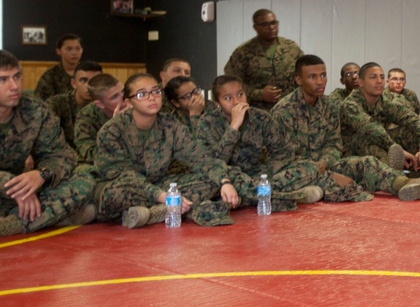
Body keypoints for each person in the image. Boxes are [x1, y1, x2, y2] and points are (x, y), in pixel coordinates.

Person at [272, 56, 420, 201]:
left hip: (325, 164)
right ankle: (317, 188)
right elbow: (282, 158)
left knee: (367, 163)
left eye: (323, 75)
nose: (320, 81)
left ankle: (406, 184)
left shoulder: (328, 106)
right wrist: (325, 174)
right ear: (298, 79)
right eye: (312, 77)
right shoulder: (284, 111)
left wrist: (326, 163)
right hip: (296, 171)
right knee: (347, 180)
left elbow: (334, 144)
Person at [93, 73, 231, 228]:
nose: (151, 98)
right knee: (114, 194)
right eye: (142, 94)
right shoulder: (112, 130)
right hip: (126, 187)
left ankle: (153, 213)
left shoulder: (170, 124)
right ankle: (166, 207)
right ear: (128, 102)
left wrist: (223, 181)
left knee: (210, 181)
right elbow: (124, 176)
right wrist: (161, 196)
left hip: (159, 183)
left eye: (155, 91)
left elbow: (199, 157)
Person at [194, 75, 326, 211]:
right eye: (228, 98)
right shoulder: (207, 123)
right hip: (227, 178)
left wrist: (267, 173)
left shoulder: (260, 117)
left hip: (259, 174)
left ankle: (244, 199)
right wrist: (233, 127)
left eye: (240, 94)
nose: (236, 101)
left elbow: (283, 152)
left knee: (310, 168)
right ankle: (284, 196)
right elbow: (213, 164)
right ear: (217, 102)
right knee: (216, 180)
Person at [0, 50, 96, 237]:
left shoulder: (35, 110)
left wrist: (42, 175)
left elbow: (61, 155)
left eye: (17, 77)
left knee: (85, 182)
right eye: (3, 80)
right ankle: (50, 218)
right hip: (14, 189)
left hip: (23, 192)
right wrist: (16, 188)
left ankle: (13, 224)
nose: (14, 86)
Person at [340, 62, 420, 172]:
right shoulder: (350, 104)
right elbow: (371, 129)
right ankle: (398, 175)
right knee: (372, 145)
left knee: (413, 134)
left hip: (384, 140)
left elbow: (412, 119)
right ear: (360, 82)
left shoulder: (385, 101)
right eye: (373, 77)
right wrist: (397, 149)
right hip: (354, 148)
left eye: (381, 77)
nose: (379, 81)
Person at [224, 9, 303, 110]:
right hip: (257, 113)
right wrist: (260, 94)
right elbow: (232, 84)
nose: (271, 27)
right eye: (265, 24)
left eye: (274, 23)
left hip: (290, 110)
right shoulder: (243, 52)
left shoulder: (291, 48)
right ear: (255, 27)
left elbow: (304, 75)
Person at [45, 60, 103, 149]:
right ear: (74, 83)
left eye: (95, 81)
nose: (89, 86)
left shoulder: (107, 106)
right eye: (83, 80)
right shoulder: (56, 104)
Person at [73, 74, 128, 165]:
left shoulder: (135, 104)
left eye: (123, 91)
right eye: (115, 97)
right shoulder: (86, 118)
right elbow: (90, 155)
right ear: (100, 104)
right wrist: (115, 125)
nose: (123, 98)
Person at [34, 34, 84, 101]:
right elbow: (39, 101)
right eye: (69, 49)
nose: (74, 53)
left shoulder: (88, 72)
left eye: (78, 49)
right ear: (59, 51)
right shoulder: (50, 75)